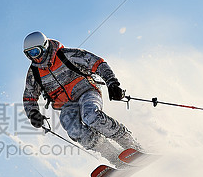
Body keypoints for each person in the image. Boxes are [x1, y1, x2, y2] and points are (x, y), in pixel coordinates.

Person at [22, 31, 142, 166]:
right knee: (72, 128)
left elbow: (98, 63)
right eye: (29, 54)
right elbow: (29, 97)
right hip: (67, 104)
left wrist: (112, 82)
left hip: (86, 91)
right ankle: (113, 157)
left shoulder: (66, 55)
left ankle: (129, 144)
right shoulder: (34, 73)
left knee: (90, 115)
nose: (35, 57)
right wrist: (33, 114)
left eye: (36, 52)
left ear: (44, 46)